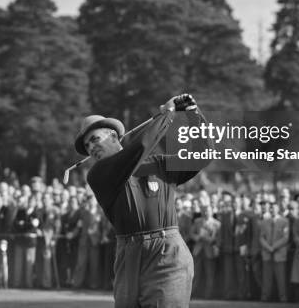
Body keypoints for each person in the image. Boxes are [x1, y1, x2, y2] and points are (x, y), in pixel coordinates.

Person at [73, 93, 212, 308]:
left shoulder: (157, 163)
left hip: (167, 254)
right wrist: (166, 115)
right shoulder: (98, 174)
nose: (91, 148)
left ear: (113, 135)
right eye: (87, 146)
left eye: (94, 139)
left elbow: (203, 154)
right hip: (128, 255)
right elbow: (138, 149)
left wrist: (193, 116)